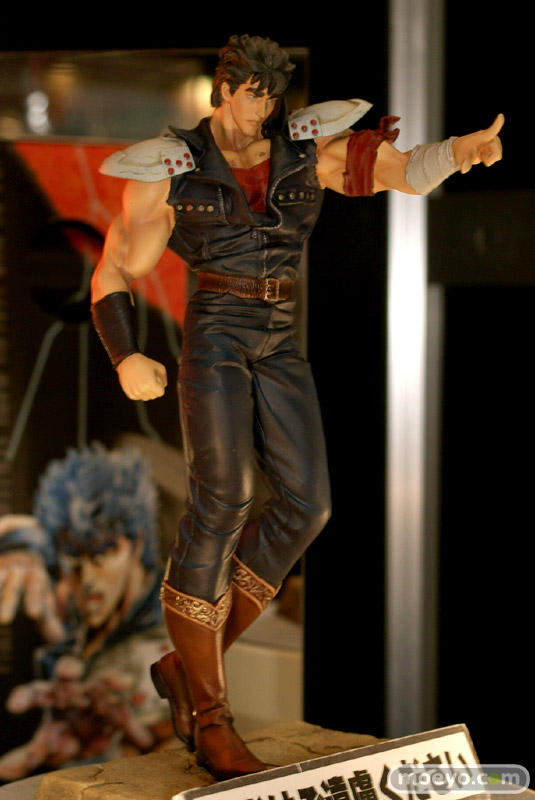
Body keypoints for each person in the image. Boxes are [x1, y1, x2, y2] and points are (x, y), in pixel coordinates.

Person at [90, 34, 503, 781]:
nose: (263, 109)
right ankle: (211, 716)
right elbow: (116, 262)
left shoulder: (302, 150)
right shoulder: (172, 165)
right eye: (252, 93)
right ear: (224, 89)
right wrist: (126, 356)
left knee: (309, 505)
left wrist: (460, 153)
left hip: (279, 336)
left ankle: (188, 666)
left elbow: (400, 170)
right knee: (223, 499)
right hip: (216, 331)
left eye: (272, 95)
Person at [0, 443, 173, 780]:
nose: (88, 579)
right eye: (74, 557)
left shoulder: (168, 626)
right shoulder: (83, 602)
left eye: (103, 554)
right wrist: (23, 544)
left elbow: (174, 749)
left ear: (138, 543)